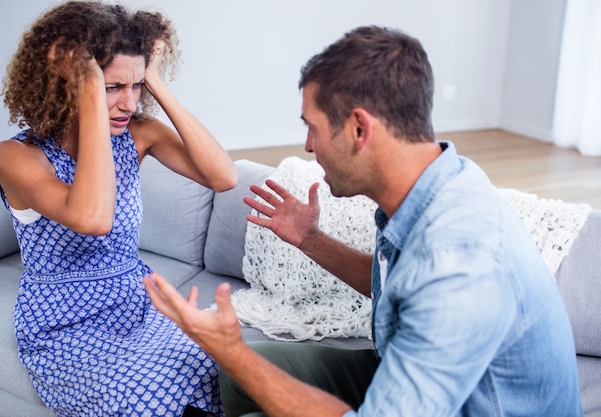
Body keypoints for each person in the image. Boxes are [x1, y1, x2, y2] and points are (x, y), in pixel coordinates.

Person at [143, 26, 583, 417]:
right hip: (406, 372)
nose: (308, 146)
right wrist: (311, 240)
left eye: (313, 127)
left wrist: (233, 349)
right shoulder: (438, 180)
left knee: (242, 368)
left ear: (359, 129)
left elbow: (434, 280)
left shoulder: (459, 261)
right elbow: (400, 285)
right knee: (235, 375)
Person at [0, 1, 236, 416]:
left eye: (135, 86)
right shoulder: (17, 156)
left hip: (137, 298)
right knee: (141, 391)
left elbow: (223, 176)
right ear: (69, 83)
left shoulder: (137, 134)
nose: (128, 103)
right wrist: (88, 88)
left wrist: (154, 80)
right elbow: (93, 219)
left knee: (212, 361)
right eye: (112, 87)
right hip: (64, 321)